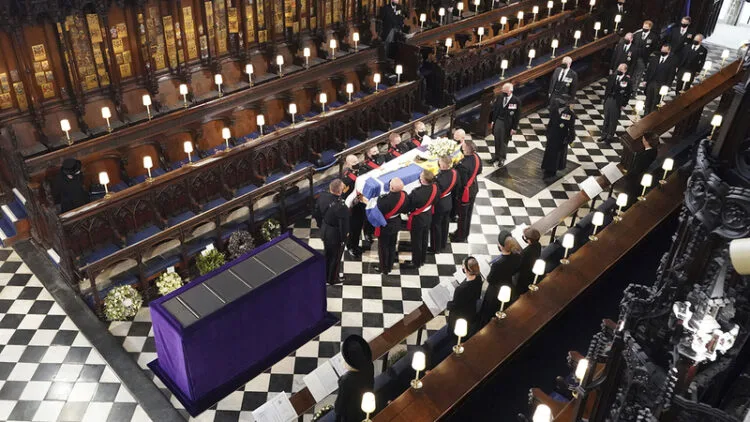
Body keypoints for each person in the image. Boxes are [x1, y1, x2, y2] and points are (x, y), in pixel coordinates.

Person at [479, 231, 522, 326]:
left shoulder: (497, 265)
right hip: (508, 284)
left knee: (489, 312)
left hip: (495, 291)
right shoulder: (517, 256)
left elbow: (490, 279)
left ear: (501, 246)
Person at [313, 179, 350, 284]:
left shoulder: (322, 196)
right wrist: (344, 239)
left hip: (325, 229)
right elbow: (344, 226)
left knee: (328, 254)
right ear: (340, 191)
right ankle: (333, 278)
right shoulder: (341, 207)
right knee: (335, 257)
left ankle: (325, 274)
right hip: (335, 235)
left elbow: (316, 213)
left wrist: (321, 225)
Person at [334, 335, 374, 422]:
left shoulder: (346, 380)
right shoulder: (369, 366)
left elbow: (339, 407)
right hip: (364, 405)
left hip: (351, 415)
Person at [374, 177, 409, 274]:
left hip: (385, 225)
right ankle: (390, 265)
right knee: (392, 246)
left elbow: (377, 212)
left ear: (391, 188)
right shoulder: (404, 196)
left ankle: (384, 268)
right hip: (396, 223)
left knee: (383, 247)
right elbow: (405, 210)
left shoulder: (383, 200)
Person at [404, 171, 438, 269]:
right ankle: (422, 259)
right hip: (427, 216)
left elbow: (409, 206)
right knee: (424, 239)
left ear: (422, 180)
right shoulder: (435, 188)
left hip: (418, 219)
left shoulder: (416, 193)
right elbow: (435, 200)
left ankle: (416, 262)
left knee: (416, 242)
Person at [451, 139, 482, 243]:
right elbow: (479, 171)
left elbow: (461, 183)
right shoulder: (477, 157)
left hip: (465, 193)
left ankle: (460, 236)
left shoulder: (463, 165)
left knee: (462, 216)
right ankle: (465, 232)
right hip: (474, 188)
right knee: (468, 214)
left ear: (466, 151)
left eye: (463, 147)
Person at [447, 256, 484, 337]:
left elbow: (454, 305)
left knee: (453, 334)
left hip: (459, 314)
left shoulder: (461, 289)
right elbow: (477, 295)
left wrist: (448, 304)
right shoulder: (478, 278)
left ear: (466, 270)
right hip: (470, 310)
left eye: (463, 267)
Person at [542, 98, 576, 179]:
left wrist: (570, 138)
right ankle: (547, 167)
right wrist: (547, 133)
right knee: (549, 152)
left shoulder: (569, 113)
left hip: (561, 137)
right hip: (552, 135)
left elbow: (571, 127)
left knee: (557, 155)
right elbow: (551, 122)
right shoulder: (554, 110)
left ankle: (553, 170)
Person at [431, 156, 459, 253]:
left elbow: (435, 193)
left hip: (440, 205)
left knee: (436, 226)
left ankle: (436, 248)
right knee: (445, 224)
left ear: (442, 165)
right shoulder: (454, 173)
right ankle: (443, 243)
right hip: (448, 202)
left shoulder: (439, 179)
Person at [600, 63, 633, 143]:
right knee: (606, 118)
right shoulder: (612, 77)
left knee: (613, 120)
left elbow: (628, 94)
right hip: (609, 99)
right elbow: (607, 89)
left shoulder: (627, 81)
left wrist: (624, 104)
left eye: (621, 69)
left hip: (617, 102)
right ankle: (604, 134)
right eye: (618, 69)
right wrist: (605, 99)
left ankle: (610, 136)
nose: (619, 71)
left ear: (625, 71)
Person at [490, 83, 521, 167]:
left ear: (510, 91)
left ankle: (502, 158)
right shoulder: (500, 97)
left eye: (505, 91)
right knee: (497, 139)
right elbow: (495, 110)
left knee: (504, 141)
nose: (503, 92)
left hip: (507, 124)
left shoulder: (516, 101)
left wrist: (514, 128)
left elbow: (517, 116)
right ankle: (496, 156)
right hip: (498, 121)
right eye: (502, 90)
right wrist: (493, 121)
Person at [623, 132, 659, 202]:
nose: (642, 140)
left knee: (629, 197)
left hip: (635, 181)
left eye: (643, 139)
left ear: (646, 142)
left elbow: (636, 170)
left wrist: (627, 175)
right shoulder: (654, 150)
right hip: (639, 178)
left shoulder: (643, 156)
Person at [643, 44, 677, 114]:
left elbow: (671, 75)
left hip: (661, 84)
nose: (663, 51)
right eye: (662, 50)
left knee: (656, 100)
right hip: (651, 82)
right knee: (648, 99)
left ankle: (652, 115)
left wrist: (667, 86)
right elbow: (649, 70)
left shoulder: (672, 62)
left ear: (669, 51)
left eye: (665, 50)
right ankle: (645, 114)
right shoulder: (655, 58)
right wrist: (645, 80)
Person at [342, 155, 364, 258]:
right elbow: (345, 196)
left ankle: (356, 245)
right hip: (353, 208)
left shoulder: (361, 171)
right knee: (352, 229)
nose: (356, 163)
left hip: (361, 204)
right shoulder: (346, 179)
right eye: (353, 162)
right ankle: (351, 246)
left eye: (356, 161)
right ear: (348, 164)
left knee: (358, 227)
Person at [631, 20, 659, 92]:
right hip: (633, 57)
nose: (644, 28)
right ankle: (629, 87)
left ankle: (634, 89)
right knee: (632, 73)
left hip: (643, 59)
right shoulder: (637, 34)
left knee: (638, 75)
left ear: (650, 28)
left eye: (646, 27)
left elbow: (654, 47)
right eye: (643, 26)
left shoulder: (653, 37)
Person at [515, 228, 542, 297]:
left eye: (526, 238)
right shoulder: (538, 245)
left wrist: (519, 254)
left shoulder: (526, 252)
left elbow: (519, 266)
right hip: (532, 269)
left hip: (524, 275)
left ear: (529, 240)